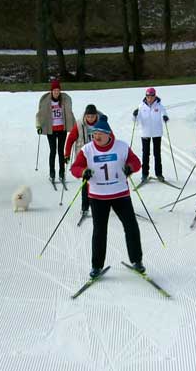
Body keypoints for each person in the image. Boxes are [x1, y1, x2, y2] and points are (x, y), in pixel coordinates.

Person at [70, 116, 144, 278]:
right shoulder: (87, 149)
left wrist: (130, 167)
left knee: (131, 227)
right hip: (98, 197)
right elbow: (75, 167)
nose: (96, 137)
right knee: (99, 231)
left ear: (109, 134)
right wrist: (83, 172)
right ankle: (96, 266)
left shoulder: (121, 147)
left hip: (120, 195)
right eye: (94, 134)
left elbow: (136, 162)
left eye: (100, 134)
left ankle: (137, 261)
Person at [64, 104, 104, 217]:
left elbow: (110, 137)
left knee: (101, 181)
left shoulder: (102, 123)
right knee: (86, 182)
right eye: (88, 116)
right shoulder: (79, 124)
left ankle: (103, 205)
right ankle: (85, 207)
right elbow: (71, 139)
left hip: (99, 157)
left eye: (92, 116)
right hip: (85, 157)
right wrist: (67, 154)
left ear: (96, 115)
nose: (90, 119)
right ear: (85, 116)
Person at [36, 79, 75, 184]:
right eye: (54, 91)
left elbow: (69, 113)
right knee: (53, 151)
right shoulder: (47, 101)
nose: (56, 92)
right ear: (51, 91)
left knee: (61, 152)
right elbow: (39, 114)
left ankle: (62, 174)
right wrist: (38, 126)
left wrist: (74, 126)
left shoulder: (64, 100)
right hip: (51, 130)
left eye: (58, 90)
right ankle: (52, 174)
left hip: (62, 129)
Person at [132, 87, 169, 182]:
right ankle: (144, 174)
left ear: (155, 96)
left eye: (151, 96)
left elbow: (164, 113)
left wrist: (165, 117)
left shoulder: (159, 105)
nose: (149, 98)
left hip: (157, 132)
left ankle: (159, 174)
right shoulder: (141, 106)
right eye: (148, 96)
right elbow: (136, 120)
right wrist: (134, 115)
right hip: (145, 133)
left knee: (157, 154)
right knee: (145, 154)